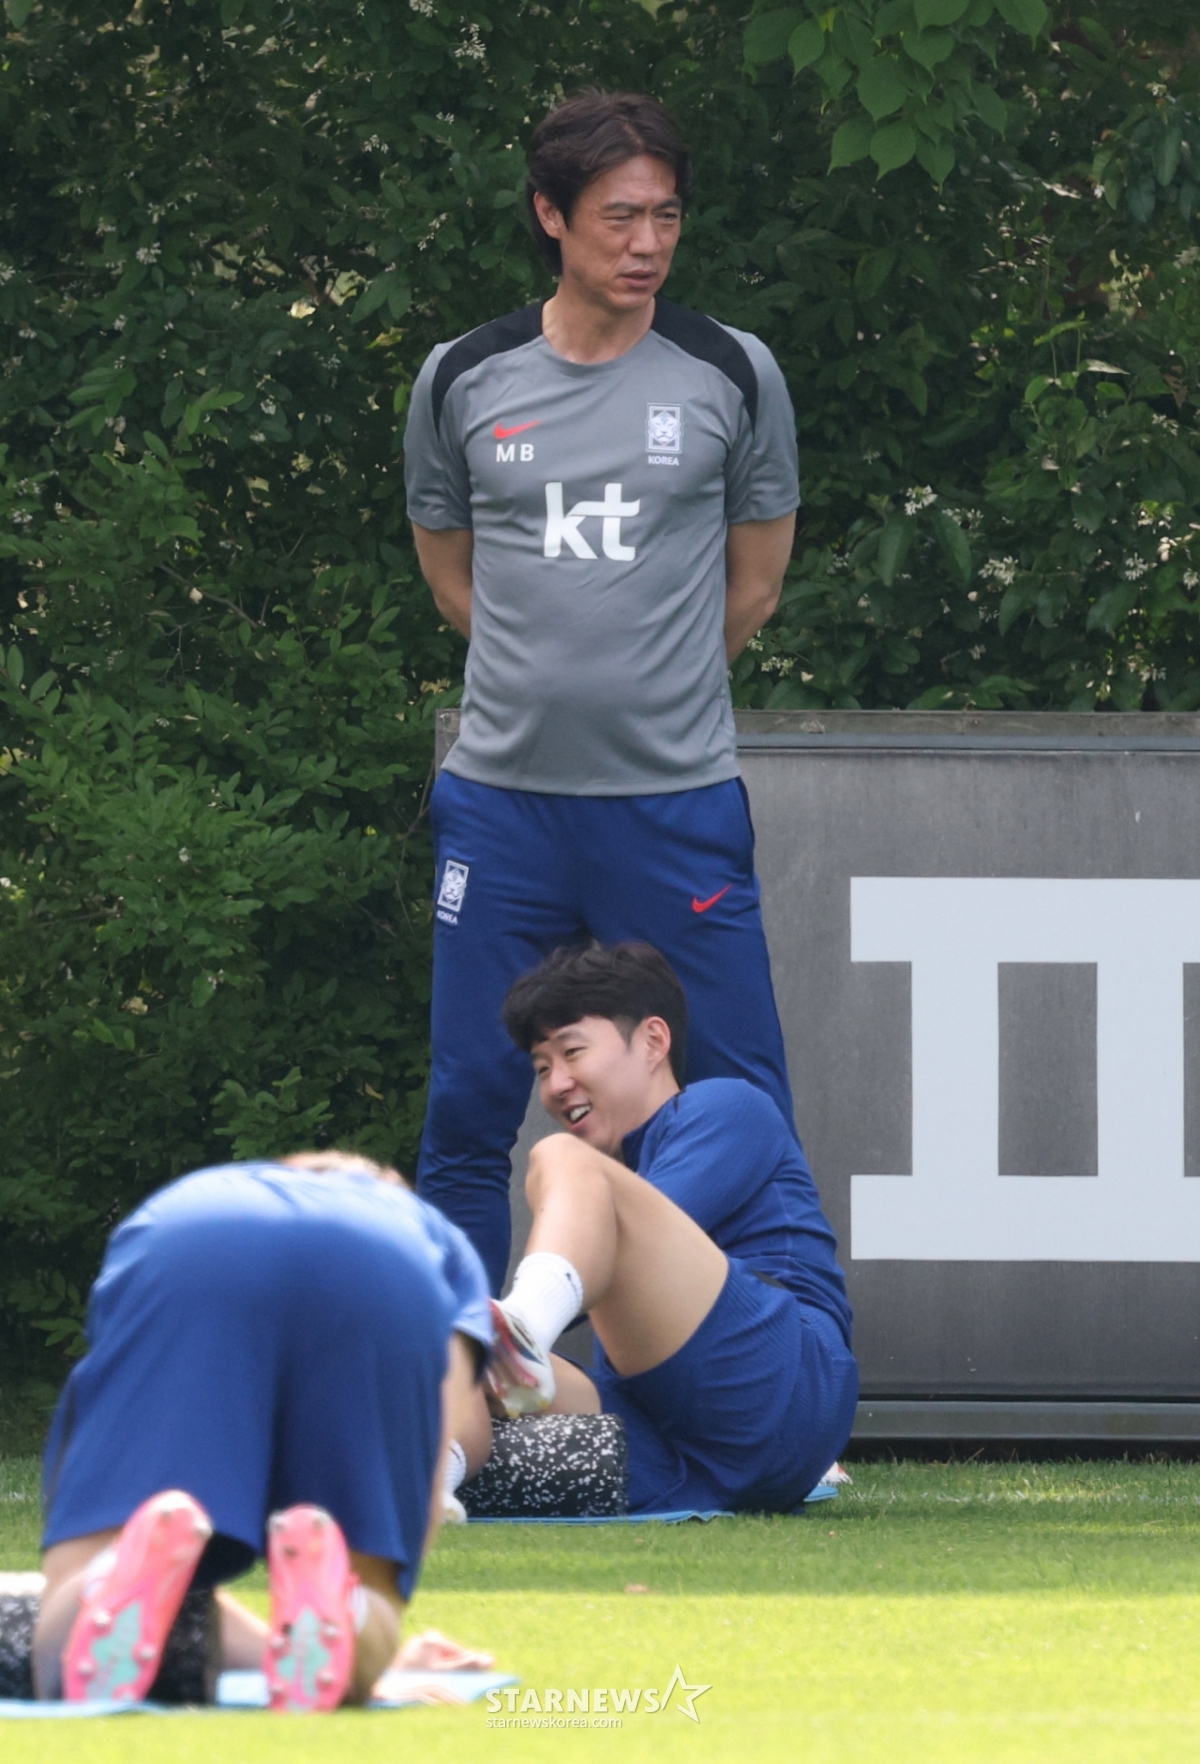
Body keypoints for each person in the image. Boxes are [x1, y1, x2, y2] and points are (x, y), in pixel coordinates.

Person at [403, 89, 802, 1293]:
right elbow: (453, 578)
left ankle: (776, 1365)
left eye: (666, 216)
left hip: (673, 803)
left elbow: (755, 584)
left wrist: (649, 688)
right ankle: (468, 1383)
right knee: (468, 1106)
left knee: (737, 1100)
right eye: (620, 217)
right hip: (502, 808)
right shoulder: (462, 375)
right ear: (551, 215)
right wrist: (550, 678)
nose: (647, 243)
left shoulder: (731, 371)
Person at [33, 1150, 493, 1709]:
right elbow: (428, 1464)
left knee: (84, 1571)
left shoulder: (212, 1191)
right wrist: (383, 1593)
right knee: (369, 1584)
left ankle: (102, 1574)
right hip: (393, 1264)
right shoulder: (436, 1240)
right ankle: (351, 1613)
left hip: (192, 1235)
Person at [480, 942, 857, 1516]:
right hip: (672, 1445)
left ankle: (521, 1330)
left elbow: (619, 1241)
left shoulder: (727, 1106)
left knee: (558, 1158)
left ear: (654, 1041)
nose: (556, 1084)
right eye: (542, 1068)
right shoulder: (607, 1183)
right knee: (441, 1350)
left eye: (572, 1051)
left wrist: (511, 1330)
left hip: (789, 1391)